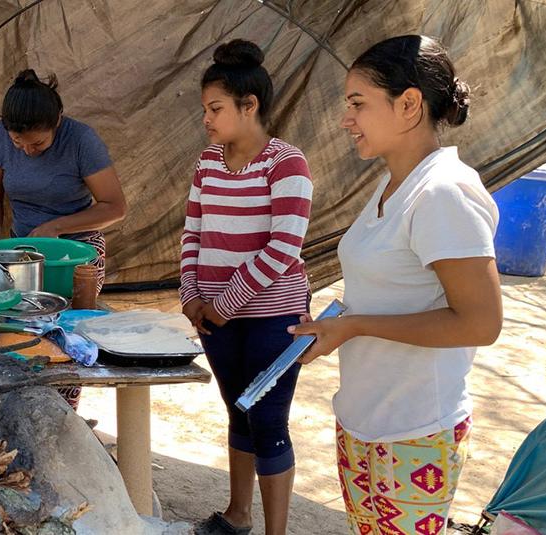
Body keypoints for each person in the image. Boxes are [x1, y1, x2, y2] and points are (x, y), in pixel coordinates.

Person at [290, 35, 502, 534]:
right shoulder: (394, 185)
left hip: (415, 431)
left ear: (409, 104)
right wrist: (338, 325)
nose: (347, 120)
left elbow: (481, 322)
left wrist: (356, 325)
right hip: (364, 418)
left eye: (358, 104)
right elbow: (389, 289)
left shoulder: (442, 192)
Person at [180, 40, 314, 535]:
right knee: (238, 411)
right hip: (214, 317)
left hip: (272, 320)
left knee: (269, 422)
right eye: (205, 110)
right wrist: (191, 296)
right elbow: (192, 232)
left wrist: (224, 305)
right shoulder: (208, 162)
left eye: (215, 109)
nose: (207, 120)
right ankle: (238, 515)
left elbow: (282, 250)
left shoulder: (287, 164)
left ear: (249, 105)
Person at [0, 69, 127, 408]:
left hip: (76, 255)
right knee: (17, 335)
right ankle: (23, 410)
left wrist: (58, 226)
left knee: (66, 339)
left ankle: (64, 417)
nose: (28, 151)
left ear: (58, 121)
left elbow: (115, 206)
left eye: (38, 144)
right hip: (22, 252)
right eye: (19, 143)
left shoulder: (81, 140)